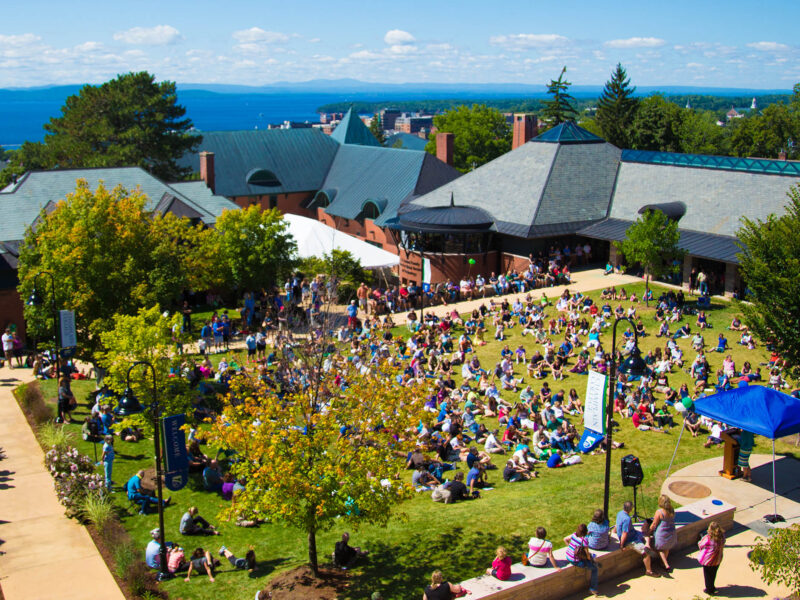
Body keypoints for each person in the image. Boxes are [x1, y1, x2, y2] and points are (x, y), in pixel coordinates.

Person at [616, 501, 659, 577]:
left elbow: (617, 526)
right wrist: (622, 545)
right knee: (646, 553)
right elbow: (624, 533)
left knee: (646, 533)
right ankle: (649, 571)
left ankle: (647, 544)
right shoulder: (627, 519)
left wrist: (614, 532)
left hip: (634, 533)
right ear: (631, 509)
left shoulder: (620, 513)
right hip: (630, 540)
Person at [564, 523, 599, 595]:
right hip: (576, 561)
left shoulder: (574, 535)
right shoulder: (584, 540)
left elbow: (565, 539)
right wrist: (591, 559)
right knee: (595, 569)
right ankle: (593, 589)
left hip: (568, 556)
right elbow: (587, 554)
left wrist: (570, 547)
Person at [650, 494, 677, 571]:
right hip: (671, 533)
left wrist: (649, 531)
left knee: (660, 549)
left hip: (662, 534)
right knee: (666, 548)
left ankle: (666, 564)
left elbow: (654, 524)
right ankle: (662, 563)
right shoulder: (671, 510)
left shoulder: (659, 512)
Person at [697, 521, 725, 594]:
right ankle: (712, 586)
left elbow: (700, 544)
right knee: (713, 573)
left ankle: (709, 590)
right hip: (717, 559)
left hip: (708, 560)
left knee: (707, 575)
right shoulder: (722, 537)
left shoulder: (708, 538)